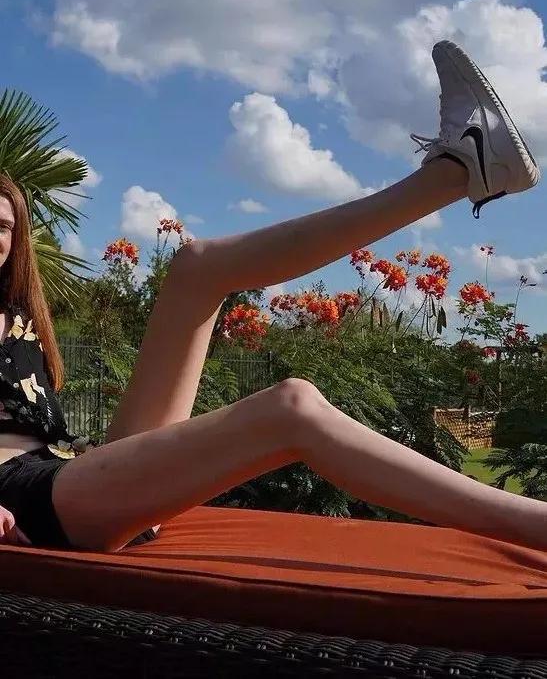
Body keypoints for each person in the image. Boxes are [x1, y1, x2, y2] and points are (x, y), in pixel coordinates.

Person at [0, 40, 544, 554]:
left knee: (197, 267)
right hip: (25, 499)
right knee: (291, 407)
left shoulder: (18, 316)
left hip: (74, 475)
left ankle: (459, 172)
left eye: (4, 227)